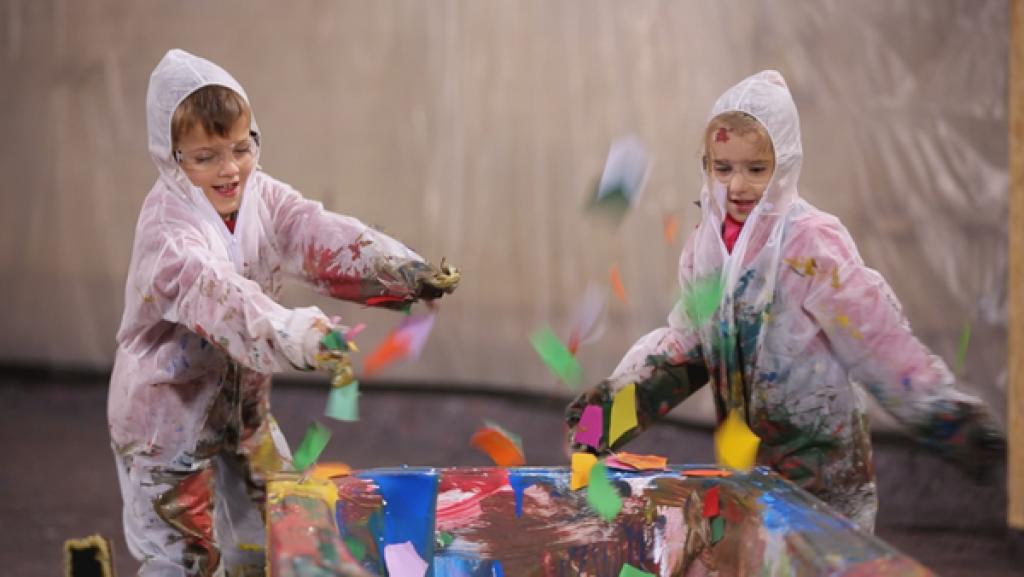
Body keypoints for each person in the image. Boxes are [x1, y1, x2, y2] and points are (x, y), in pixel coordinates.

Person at [565, 70, 1003, 533]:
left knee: (821, 556)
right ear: (706, 166)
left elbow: (879, 343)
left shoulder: (811, 245)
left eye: (756, 169)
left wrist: (951, 421)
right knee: (755, 551)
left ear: (785, 165)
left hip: (822, 469)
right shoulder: (706, 249)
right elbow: (686, 348)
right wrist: (601, 420)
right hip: (750, 464)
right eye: (723, 168)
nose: (737, 186)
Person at [108, 49, 459, 576]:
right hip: (166, 419)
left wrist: (400, 271)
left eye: (241, 148)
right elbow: (221, 298)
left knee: (279, 529)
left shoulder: (260, 197)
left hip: (244, 409)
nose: (230, 169)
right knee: (181, 556)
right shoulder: (170, 233)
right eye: (205, 157)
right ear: (171, 157)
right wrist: (298, 334)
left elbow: (314, 232)